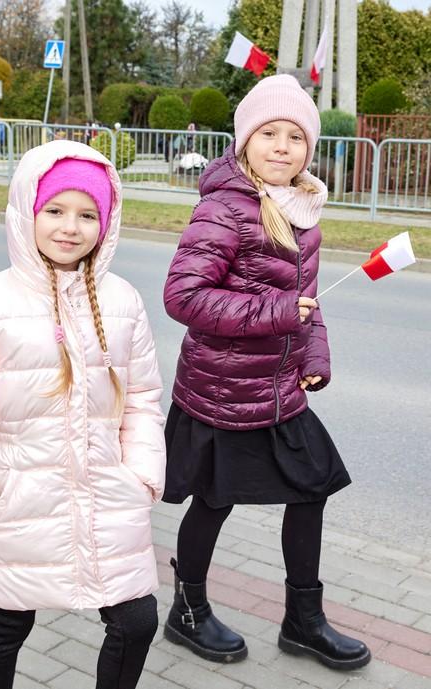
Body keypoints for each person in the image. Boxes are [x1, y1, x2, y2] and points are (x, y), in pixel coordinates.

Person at [0, 140, 166, 689]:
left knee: (136, 620)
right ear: (26, 211)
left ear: (106, 222)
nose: (70, 227)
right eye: (54, 210)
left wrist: (143, 477)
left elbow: (144, 397)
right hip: (17, 498)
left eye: (87, 214)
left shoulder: (123, 300)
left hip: (107, 493)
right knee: (8, 623)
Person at [161, 75, 371, 671]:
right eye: (269, 133)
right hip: (222, 390)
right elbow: (182, 296)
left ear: (309, 149)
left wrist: (314, 356)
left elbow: (308, 301)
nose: (282, 146)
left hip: (279, 389)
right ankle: (188, 611)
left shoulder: (304, 211)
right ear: (245, 142)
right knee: (214, 502)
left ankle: (303, 621)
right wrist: (276, 313)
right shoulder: (224, 208)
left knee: (313, 488)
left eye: (295, 137)